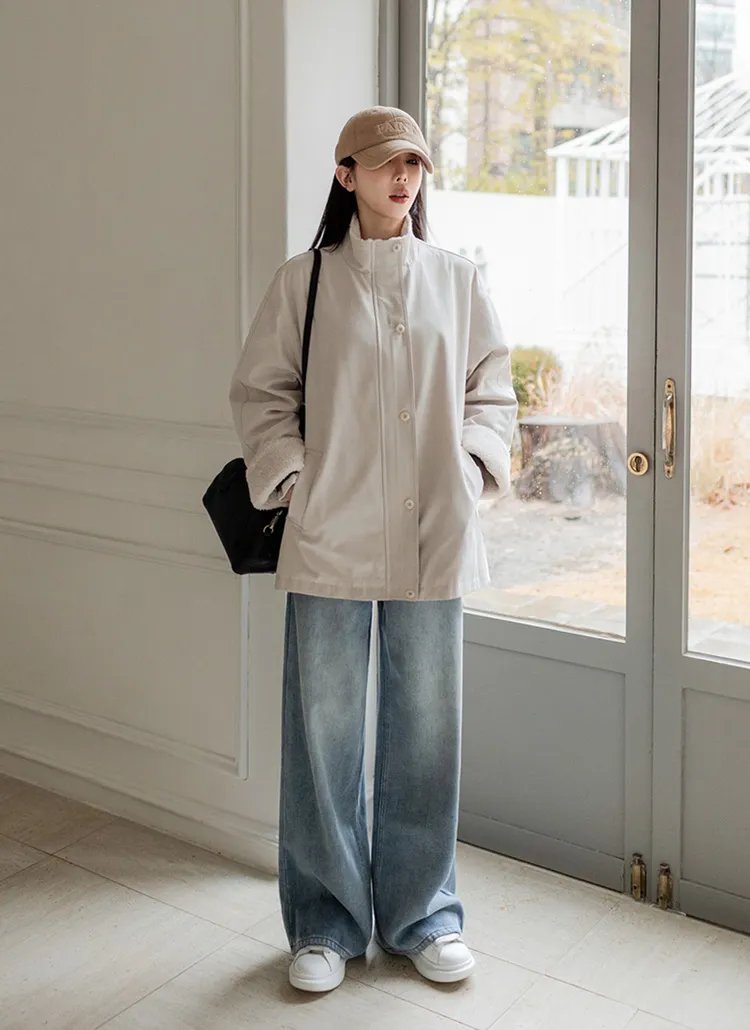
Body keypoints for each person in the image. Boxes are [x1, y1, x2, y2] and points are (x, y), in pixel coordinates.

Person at [229, 106, 518, 993]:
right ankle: (324, 923)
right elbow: (261, 394)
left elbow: (492, 391)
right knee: (323, 734)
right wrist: (296, 482)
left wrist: (470, 467)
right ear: (346, 173)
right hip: (331, 532)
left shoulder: (458, 280)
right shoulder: (304, 281)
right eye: (386, 163)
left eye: (415, 164)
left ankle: (423, 916)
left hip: (434, 532)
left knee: (426, 729)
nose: (403, 178)